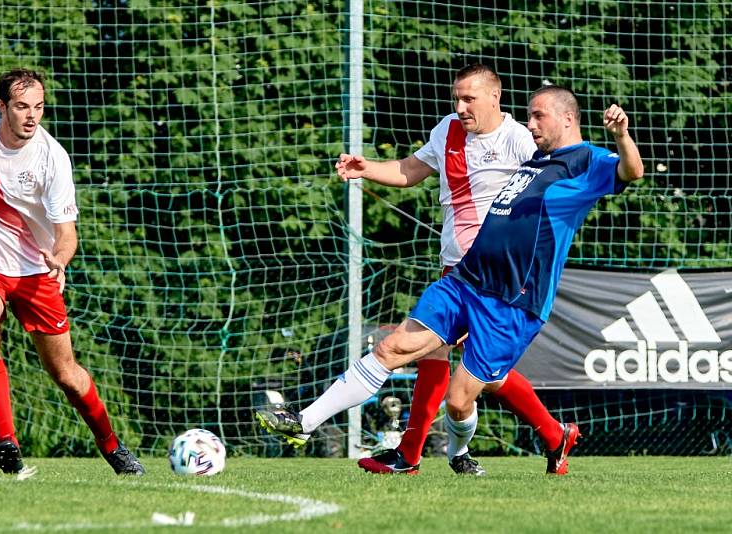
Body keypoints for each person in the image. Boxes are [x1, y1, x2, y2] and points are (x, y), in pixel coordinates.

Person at [256, 85, 644, 475]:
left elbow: (632, 172)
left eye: (538, 116)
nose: (531, 124)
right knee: (392, 348)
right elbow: (414, 170)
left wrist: (621, 135)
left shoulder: (585, 159)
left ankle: (512, 445)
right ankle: (305, 422)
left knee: (460, 400)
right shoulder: (532, 159)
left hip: (511, 298)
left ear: (567, 118)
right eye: (529, 115)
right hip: (465, 278)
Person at [335, 64, 579, 476]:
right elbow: (411, 170)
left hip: (494, 277)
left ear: (495, 97)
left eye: (469, 98)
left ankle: (410, 454)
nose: (460, 106)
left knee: (436, 353)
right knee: (482, 371)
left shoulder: (520, 139)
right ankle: (554, 435)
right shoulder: (446, 131)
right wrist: (366, 169)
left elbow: (556, 178)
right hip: (456, 266)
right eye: (457, 98)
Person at [0, 68, 145, 476]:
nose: (32, 115)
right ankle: (7, 444)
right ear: (1, 108)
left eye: (39, 107)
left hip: (35, 272)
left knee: (66, 374)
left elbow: (67, 235)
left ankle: (113, 446)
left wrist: (59, 261)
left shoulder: (53, 158)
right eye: (22, 106)